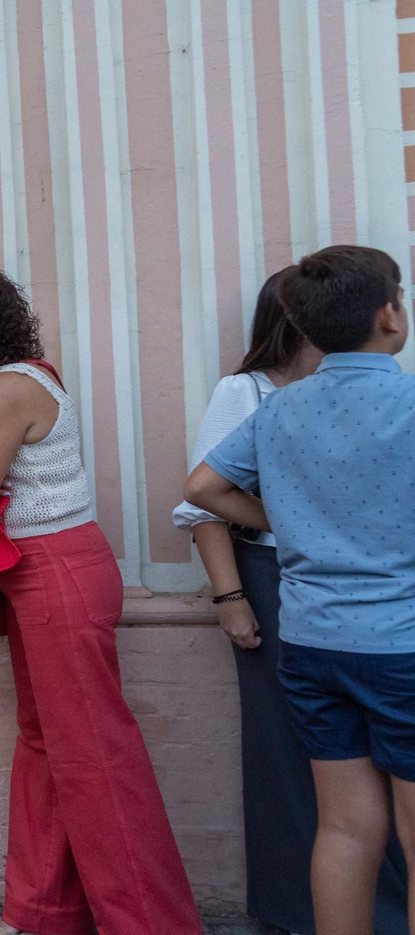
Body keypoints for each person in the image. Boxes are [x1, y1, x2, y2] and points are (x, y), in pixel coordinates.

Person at [0, 256, 201, 935]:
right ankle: (39, 916)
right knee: (45, 746)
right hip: (46, 574)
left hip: (54, 576)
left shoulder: (8, 385)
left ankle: (154, 926)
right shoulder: (3, 378)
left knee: (95, 759)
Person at [187, 245, 415, 935]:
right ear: (390, 314)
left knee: (344, 826)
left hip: (310, 639)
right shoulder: (409, 401)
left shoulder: (280, 408)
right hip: (401, 644)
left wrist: (286, 523)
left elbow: (201, 489)